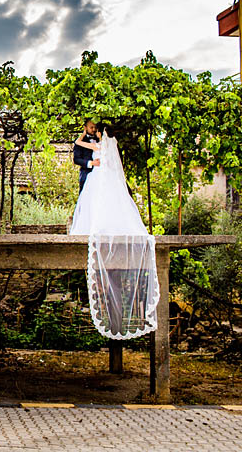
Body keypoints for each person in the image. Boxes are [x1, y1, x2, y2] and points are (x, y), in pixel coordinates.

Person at [68, 125, 160, 340]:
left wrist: (88, 140)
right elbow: (78, 153)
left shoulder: (102, 143)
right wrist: (92, 160)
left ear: (101, 132)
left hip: (100, 175)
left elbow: (80, 144)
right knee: (96, 202)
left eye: (95, 128)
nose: (93, 130)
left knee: (100, 202)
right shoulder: (102, 143)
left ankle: (100, 226)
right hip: (96, 173)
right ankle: (97, 226)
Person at [73, 119, 101, 193]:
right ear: (85, 128)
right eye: (91, 127)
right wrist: (91, 163)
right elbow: (76, 159)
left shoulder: (101, 140)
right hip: (86, 173)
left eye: (95, 127)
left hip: (102, 174)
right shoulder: (80, 141)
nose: (94, 129)